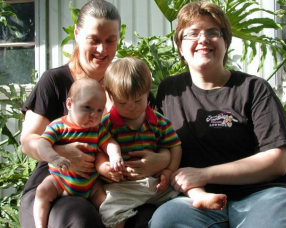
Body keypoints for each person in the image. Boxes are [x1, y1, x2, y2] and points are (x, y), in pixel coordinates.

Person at [149, 1, 286, 228]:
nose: (203, 39)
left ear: (226, 43)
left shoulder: (253, 88)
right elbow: (154, 140)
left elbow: (277, 161)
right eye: (192, 34)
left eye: (213, 33)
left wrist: (205, 174)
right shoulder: (169, 91)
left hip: (265, 195)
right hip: (201, 202)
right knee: (166, 220)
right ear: (180, 48)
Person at [19, 1, 170, 227]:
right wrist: (62, 152)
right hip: (58, 183)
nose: (102, 49)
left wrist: (162, 160)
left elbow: (160, 132)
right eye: (94, 40)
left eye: (110, 41)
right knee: (79, 218)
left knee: (148, 220)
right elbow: (27, 141)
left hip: (118, 190)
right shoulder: (55, 81)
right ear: (78, 35)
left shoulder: (126, 82)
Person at [97, 57, 227, 228]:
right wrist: (105, 168)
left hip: (157, 184)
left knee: (182, 181)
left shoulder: (159, 121)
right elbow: (98, 151)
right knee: (110, 213)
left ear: (147, 92)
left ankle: (200, 197)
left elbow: (175, 146)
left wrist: (168, 170)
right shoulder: (106, 124)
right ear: (111, 96)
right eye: (122, 102)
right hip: (124, 188)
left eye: (138, 101)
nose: (131, 107)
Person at [34, 78, 124, 228]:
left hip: (91, 185)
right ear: (70, 104)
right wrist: (55, 158)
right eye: (87, 107)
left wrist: (115, 156)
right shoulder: (58, 126)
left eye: (99, 110)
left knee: (114, 209)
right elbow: (42, 144)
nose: (94, 115)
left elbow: (110, 143)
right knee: (42, 192)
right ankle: (39, 226)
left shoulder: (98, 129)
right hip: (61, 181)